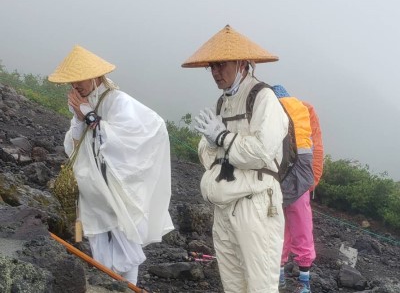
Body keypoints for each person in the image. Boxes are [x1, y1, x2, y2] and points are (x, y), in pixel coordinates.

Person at [48, 45, 174, 284]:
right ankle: (109, 286)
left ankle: (127, 287)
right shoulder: (83, 103)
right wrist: (79, 117)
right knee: (99, 245)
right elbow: (73, 147)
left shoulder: (117, 101)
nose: (75, 85)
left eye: (79, 79)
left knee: (126, 244)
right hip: (92, 192)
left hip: (115, 190)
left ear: (95, 76)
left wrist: (90, 116)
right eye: (71, 81)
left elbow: (143, 132)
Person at [182, 25, 289, 293]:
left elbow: (262, 152)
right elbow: (212, 161)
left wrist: (223, 139)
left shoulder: (263, 98)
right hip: (223, 207)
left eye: (221, 65)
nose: (216, 72)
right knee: (233, 285)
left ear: (241, 63)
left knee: (260, 285)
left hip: (256, 206)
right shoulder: (223, 103)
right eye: (211, 67)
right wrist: (210, 143)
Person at [272, 85, 323, 293]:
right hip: (301, 179)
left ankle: (279, 275)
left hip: (274, 178)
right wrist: (313, 180)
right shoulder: (305, 111)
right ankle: (304, 282)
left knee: (277, 227)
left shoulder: (270, 111)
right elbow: (317, 147)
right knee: (301, 226)